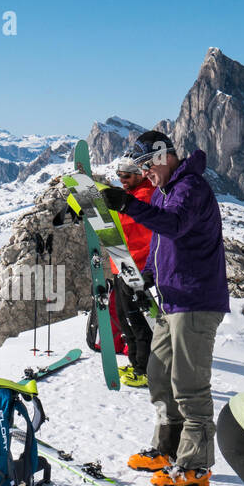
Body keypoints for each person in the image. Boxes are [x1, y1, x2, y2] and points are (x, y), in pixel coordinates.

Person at [101, 131, 230, 486]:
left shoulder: (190, 187)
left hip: (196, 300)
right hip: (172, 300)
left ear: (162, 156)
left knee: (189, 385)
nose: (145, 174)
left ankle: (195, 465)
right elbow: (162, 242)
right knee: (159, 375)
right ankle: (167, 448)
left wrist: (127, 205)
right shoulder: (165, 192)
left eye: (147, 165)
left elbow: (173, 225)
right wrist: (146, 277)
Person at [111, 156, 154, 389]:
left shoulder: (146, 195)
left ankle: (144, 370)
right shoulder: (132, 195)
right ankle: (135, 362)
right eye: (119, 176)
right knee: (124, 318)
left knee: (136, 321)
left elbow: (126, 224)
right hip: (123, 264)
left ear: (140, 174)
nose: (122, 180)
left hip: (136, 265)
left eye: (126, 176)